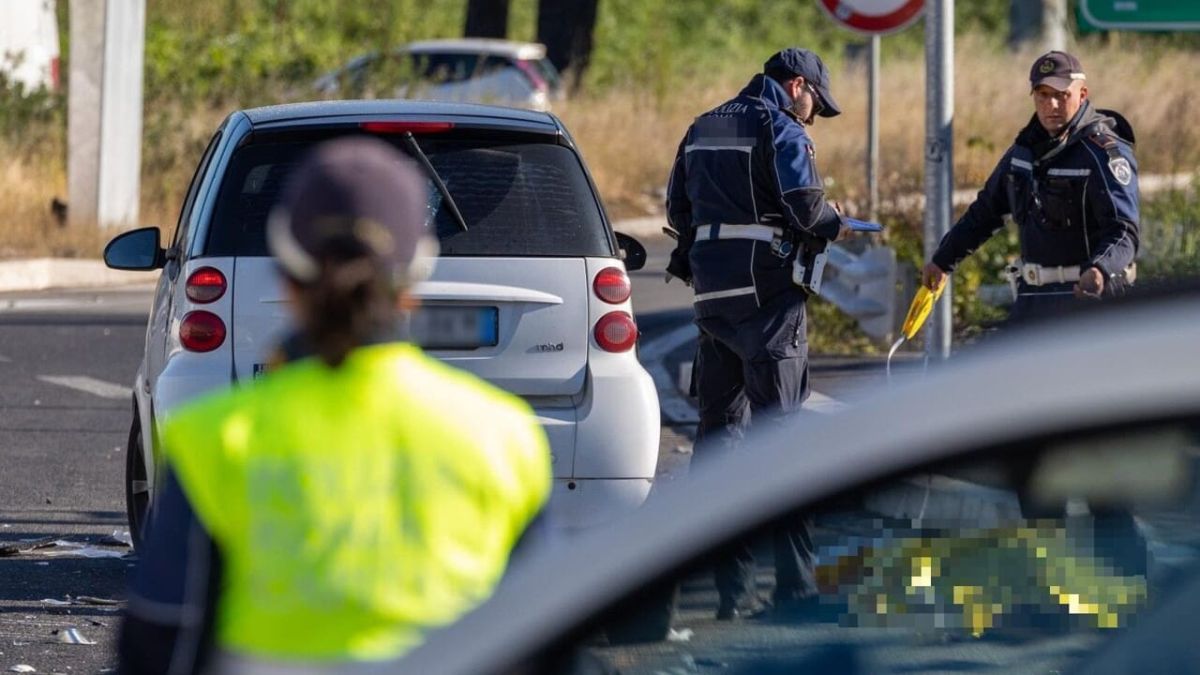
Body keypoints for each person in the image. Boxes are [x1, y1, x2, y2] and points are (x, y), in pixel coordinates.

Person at [118, 137, 553, 674]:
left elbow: (158, 642)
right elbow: (544, 641)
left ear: (286, 274)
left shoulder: (217, 439)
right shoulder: (504, 437)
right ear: (415, 279)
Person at [664, 48, 853, 621]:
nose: (813, 115)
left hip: (713, 300)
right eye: (815, 102)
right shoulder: (781, 126)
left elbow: (677, 209)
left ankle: (730, 591)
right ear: (797, 85)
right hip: (769, 301)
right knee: (783, 438)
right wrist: (836, 220)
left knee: (720, 441)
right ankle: (794, 587)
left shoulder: (702, 124)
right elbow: (804, 208)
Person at [922, 50, 1139, 319]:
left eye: (1062, 95)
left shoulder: (1102, 153)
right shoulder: (1024, 151)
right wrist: (942, 261)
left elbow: (1124, 231)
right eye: (1043, 95)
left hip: (1089, 299)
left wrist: (1099, 270)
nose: (1052, 105)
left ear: (1082, 94)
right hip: (1034, 299)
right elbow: (986, 212)